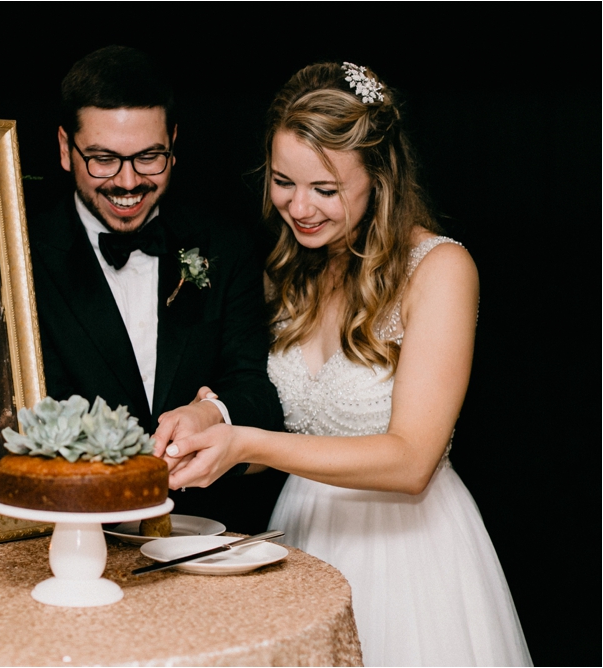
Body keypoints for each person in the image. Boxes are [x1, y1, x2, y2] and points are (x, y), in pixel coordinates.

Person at [156, 62, 531, 666]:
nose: (299, 207)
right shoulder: (290, 268)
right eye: (283, 182)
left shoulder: (439, 269)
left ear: (379, 178)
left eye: (326, 190)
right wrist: (210, 426)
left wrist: (248, 443)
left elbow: (412, 460)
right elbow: (283, 425)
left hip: (410, 554)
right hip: (302, 538)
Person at [28, 45, 286, 531]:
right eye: (103, 159)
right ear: (66, 149)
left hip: (211, 537)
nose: (128, 182)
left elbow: (258, 391)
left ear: (173, 142)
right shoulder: (21, 257)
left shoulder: (225, 245)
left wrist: (213, 412)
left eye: (149, 157)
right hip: (69, 543)